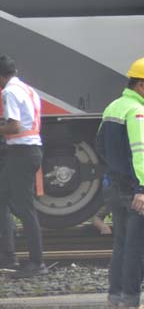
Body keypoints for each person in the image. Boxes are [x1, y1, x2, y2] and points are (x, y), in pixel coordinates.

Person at [95, 57, 144, 308]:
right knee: (138, 249)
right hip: (138, 194)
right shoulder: (137, 112)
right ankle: (131, 302)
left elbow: (100, 145)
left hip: (118, 189)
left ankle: (115, 298)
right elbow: (139, 152)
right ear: (142, 85)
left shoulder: (113, 107)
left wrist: (117, 171)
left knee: (122, 246)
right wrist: (142, 189)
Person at [0, 55, 46, 278]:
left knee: (25, 209)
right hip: (29, 151)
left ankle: (37, 262)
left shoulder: (9, 92)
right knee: (3, 198)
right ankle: (8, 256)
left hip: (22, 152)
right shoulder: (28, 89)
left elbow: (15, 127)